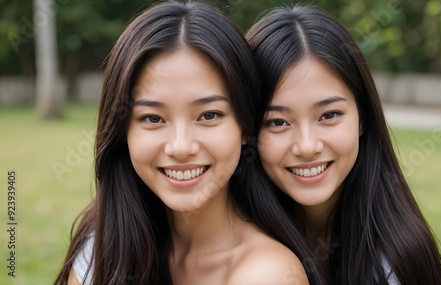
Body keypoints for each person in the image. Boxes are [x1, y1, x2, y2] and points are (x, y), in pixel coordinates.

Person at [54, 1, 327, 284]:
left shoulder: (269, 274)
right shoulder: (103, 246)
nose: (181, 147)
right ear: (123, 130)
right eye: (152, 118)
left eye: (209, 115)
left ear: (245, 126)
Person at [247, 5, 441, 285]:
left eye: (329, 115)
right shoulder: (222, 244)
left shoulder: (394, 262)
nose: (307, 147)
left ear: (362, 119)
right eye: (278, 122)